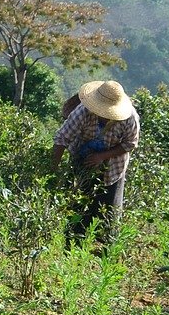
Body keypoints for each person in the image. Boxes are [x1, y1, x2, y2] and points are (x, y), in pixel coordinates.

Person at [50, 80, 140, 247]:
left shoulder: (130, 118)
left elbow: (130, 144)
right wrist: (52, 171)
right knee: (78, 210)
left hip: (113, 169)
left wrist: (103, 156)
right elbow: (62, 139)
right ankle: (72, 249)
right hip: (81, 163)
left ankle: (107, 253)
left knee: (109, 216)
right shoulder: (82, 112)